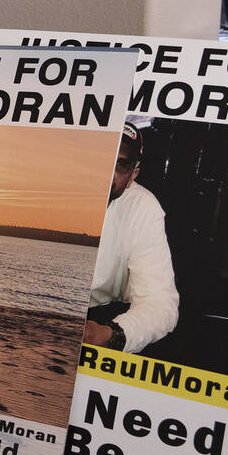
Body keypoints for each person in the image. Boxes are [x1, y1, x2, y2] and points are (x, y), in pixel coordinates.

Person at [83, 122, 179, 353]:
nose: (107, 171)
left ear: (132, 175)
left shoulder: (143, 208)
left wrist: (110, 334)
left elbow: (160, 304)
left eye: (120, 164)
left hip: (101, 318)